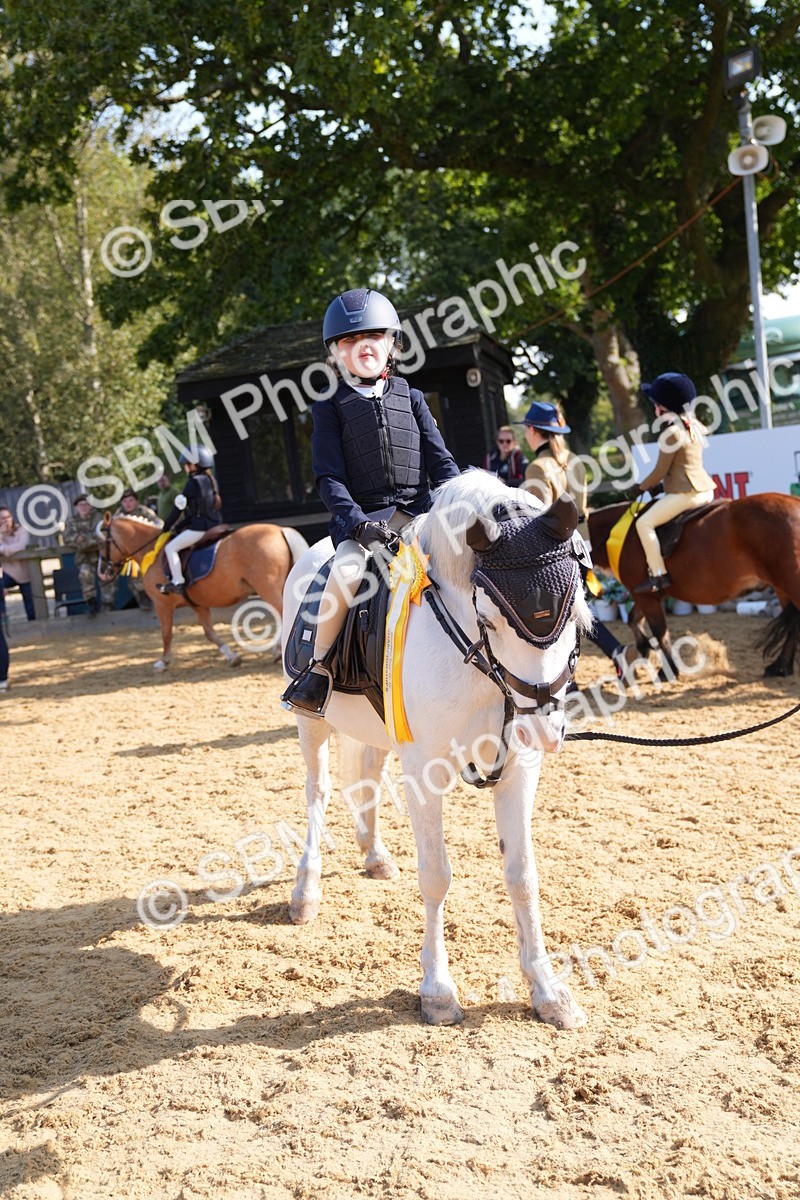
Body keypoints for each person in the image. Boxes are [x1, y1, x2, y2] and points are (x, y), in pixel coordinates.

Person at [281, 286, 461, 717]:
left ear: (391, 344)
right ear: (336, 354)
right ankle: (318, 670)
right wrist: (358, 525)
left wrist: (457, 504)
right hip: (366, 525)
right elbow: (329, 478)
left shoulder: (413, 399)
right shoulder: (329, 407)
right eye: (348, 340)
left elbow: (442, 463)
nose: (362, 345)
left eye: (373, 336)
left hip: (421, 517)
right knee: (343, 575)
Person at [520, 402, 630, 684]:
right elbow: (583, 510)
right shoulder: (576, 461)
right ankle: (611, 654)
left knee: (552, 619)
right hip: (582, 546)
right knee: (577, 611)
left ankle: (571, 678)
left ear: (533, 431)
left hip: (554, 552)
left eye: (526, 430)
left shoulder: (537, 467)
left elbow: (538, 518)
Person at [632, 372, 715, 594]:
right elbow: (680, 465)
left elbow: (659, 471)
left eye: (655, 403)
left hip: (687, 493)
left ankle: (658, 575)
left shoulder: (671, 433)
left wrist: (640, 488)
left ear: (662, 407)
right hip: (705, 490)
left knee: (644, 523)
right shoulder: (694, 425)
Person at [158, 448, 221, 596]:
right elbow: (195, 512)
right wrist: (179, 527)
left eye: (185, 464)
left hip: (200, 529)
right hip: (215, 525)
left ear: (193, 465)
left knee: (171, 548)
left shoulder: (192, 483)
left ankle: (178, 582)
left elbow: (178, 509)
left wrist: (166, 527)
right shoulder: (212, 482)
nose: (184, 467)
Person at [63, 495, 113, 616]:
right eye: (81, 505)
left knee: (107, 579)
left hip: (102, 556)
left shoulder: (99, 518)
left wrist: (83, 541)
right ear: (76, 507)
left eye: (86, 504)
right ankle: (91, 604)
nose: (84, 507)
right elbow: (67, 538)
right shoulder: (72, 521)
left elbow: (103, 535)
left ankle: (108, 606)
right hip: (84, 558)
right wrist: (80, 540)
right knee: (85, 575)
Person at [113, 489, 162, 609]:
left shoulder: (144, 512)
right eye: (124, 501)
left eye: (131, 500)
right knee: (133, 576)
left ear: (136, 501)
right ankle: (142, 600)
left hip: (148, 553)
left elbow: (159, 525)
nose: (128, 503)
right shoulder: (119, 516)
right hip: (128, 555)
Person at [0, 507, 36, 622]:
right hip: (7, 571)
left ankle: (34, 625)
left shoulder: (21, 530)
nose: (6, 520)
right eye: (2, 518)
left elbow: (21, 546)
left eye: (8, 517)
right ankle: (3, 621)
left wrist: (3, 549)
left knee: (31, 603)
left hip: (24, 571)